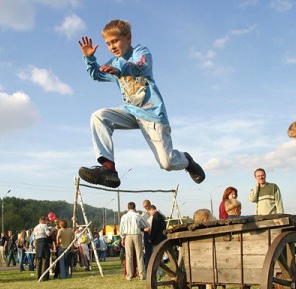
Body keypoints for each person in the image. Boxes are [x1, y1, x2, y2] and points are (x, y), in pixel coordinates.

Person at [77, 19, 205, 188]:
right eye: (108, 44)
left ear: (128, 38)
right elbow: (97, 75)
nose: (112, 46)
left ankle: (187, 161)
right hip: (131, 112)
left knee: (167, 163)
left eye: (115, 41)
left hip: (151, 114)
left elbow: (140, 67)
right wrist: (89, 58)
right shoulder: (113, 63)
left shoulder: (141, 52)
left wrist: (120, 69)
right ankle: (108, 168)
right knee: (99, 116)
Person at [119, 202, 149, 281]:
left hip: (128, 235)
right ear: (135, 207)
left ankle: (129, 275)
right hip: (137, 235)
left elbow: (121, 228)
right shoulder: (138, 215)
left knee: (129, 256)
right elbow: (146, 224)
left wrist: (122, 238)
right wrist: (141, 228)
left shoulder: (124, 217)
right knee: (139, 255)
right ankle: (142, 274)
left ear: (128, 208)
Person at [141, 199, 153, 269]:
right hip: (147, 235)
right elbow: (140, 227)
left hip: (154, 233)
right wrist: (143, 229)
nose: (145, 208)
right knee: (148, 253)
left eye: (146, 206)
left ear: (149, 204)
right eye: (144, 207)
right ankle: (147, 267)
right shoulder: (143, 215)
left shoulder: (155, 212)